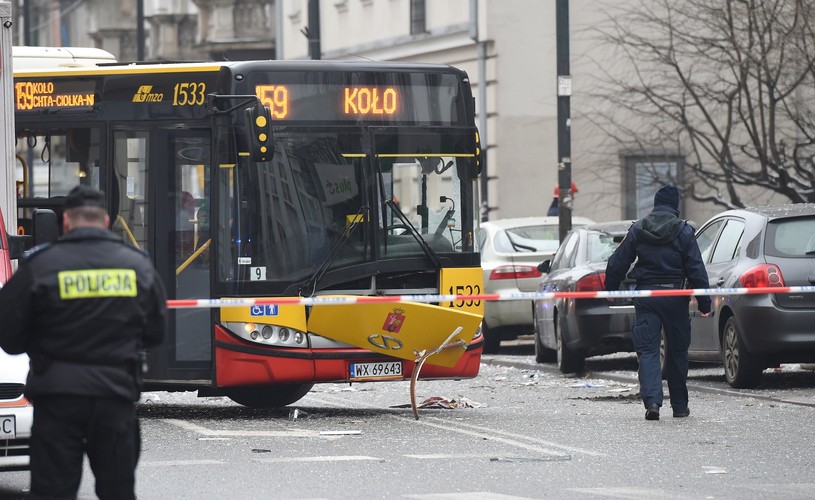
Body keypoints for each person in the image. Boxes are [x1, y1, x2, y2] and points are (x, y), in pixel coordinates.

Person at [0, 185, 167, 499]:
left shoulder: (41, 265)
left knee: (53, 492)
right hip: (114, 398)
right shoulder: (136, 265)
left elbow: (8, 336)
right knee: (117, 491)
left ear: (66, 222)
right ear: (105, 221)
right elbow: (156, 333)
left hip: (57, 402)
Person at [604, 184, 711, 421]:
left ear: (655, 204)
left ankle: (652, 402)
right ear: (675, 206)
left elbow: (617, 261)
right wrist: (705, 303)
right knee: (677, 352)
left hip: (646, 297)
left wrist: (610, 288)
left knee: (648, 351)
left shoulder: (638, 229)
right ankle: (680, 407)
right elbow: (696, 269)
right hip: (675, 297)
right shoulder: (684, 231)